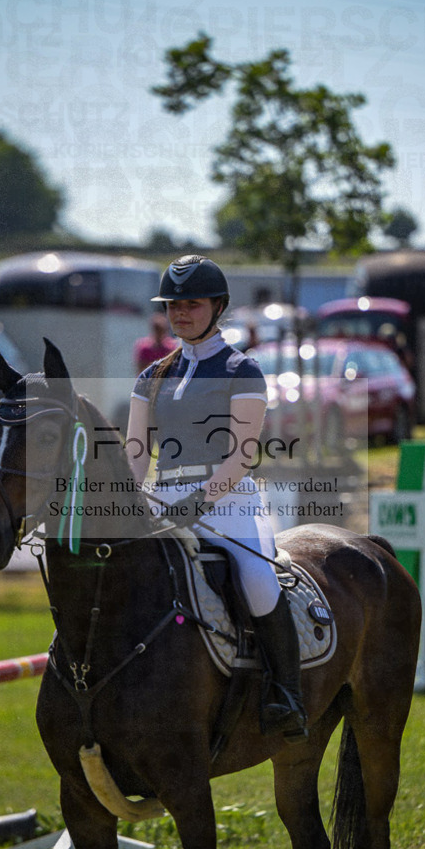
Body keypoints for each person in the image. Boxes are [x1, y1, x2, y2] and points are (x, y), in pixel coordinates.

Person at [126, 255, 307, 743]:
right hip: (163, 499)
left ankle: (287, 695)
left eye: (192, 304)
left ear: (218, 307)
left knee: (258, 579)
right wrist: (127, 501)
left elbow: (241, 455)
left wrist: (197, 504)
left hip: (229, 503)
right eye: (173, 305)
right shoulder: (151, 377)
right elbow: (137, 453)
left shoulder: (241, 370)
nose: (181, 313)